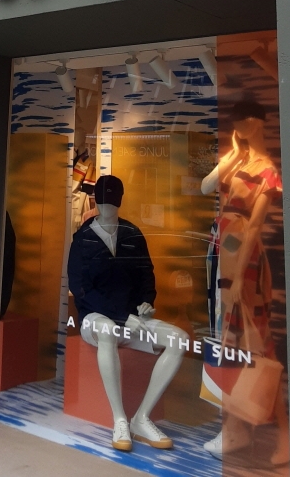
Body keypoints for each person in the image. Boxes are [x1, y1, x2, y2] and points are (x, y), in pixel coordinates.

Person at [68, 175, 186, 453]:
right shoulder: (83, 240)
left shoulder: (132, 235)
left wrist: (146, 302)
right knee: (107, 329)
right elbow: (81, 289)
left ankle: (141, 418)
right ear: (96, 201)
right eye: (103, 201)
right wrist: (122, 315)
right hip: (96, 319)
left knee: (179, 339)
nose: (107, 207)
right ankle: (119, 419)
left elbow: (146, 275)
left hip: (132, 320)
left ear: (119, 201)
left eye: (112, 201)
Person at [201, 101, 289, 465]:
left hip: (243, 257)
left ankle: (283, 433)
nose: (237, 124)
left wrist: (239, 276)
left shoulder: (267, 170)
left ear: (257, 122)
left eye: (243, 119)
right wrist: (234, 155)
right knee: (230, 340)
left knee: (256, 344)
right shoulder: (237, 160)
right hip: (223, 249)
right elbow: (206, 187)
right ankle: (235, 428)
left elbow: (254, 226)